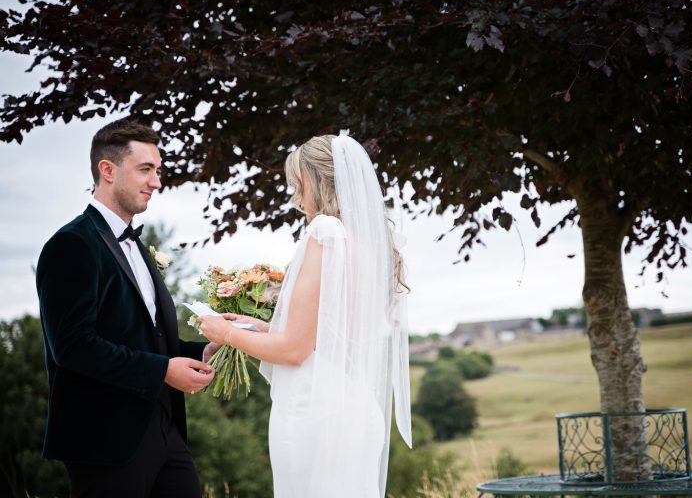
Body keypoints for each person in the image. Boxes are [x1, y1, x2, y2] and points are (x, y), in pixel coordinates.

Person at [197, 133, 412, 497]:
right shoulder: (364, 244)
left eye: (297, 182)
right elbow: (322, 335)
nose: (295, 194)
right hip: (353, 405)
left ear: (313, 180)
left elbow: (295, 350)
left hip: (316, 412)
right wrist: (259, 327)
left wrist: (224, 333)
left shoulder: (325, 233)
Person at [36, 119, 219, 498]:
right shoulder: (71, 245)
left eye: (158, 171)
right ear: (107, 170)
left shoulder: (137, 246)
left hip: (167, 430)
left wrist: (203, 350)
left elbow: (146, 338)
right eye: (146, 170)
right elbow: (72, 346)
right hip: (105, 439)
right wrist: (163, 371)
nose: (157, 182)